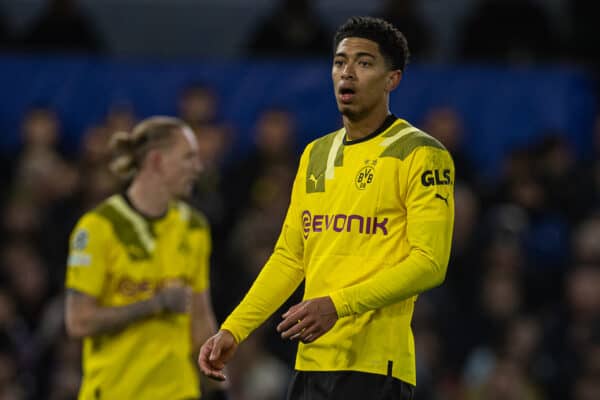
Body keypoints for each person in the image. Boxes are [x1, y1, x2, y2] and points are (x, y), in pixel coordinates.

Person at [200, 16, 455, 399]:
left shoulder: (420, 154)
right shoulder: (315, 154)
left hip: (375, 368)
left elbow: (430, 263)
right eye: (339, 62)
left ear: (393, 79)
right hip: (310, 366)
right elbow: (290, 257)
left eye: (364, 63)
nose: (347, 73)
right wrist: (234, 328)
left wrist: (337, 305)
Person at [65, 116, 223, 399]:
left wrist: (218, 389)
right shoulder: (99, 227)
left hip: (180, 391)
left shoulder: (194, 227)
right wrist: (155, 303)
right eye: (188, 157)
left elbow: (200, 319)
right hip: (115, 391)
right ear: (157, 161)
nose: (197, 168)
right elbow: (78, 321)